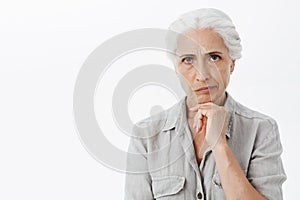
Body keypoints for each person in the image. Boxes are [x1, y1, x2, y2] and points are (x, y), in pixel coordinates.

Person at [124, 8, 286, 200]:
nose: (202, 75)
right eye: (188, 60)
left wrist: (219, 145)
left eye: (214, 57)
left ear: (232, 63)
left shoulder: (261, 130)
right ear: (176, 67)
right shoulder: (146, 135)